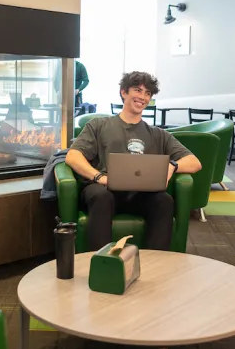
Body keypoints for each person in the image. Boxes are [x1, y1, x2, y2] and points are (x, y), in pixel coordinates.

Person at [65, 71, 202, 251]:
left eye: (147, 93)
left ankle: (156, 264)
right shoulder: (99, 125)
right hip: (103, 190)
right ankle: (103, 264)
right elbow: (73, 156)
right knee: (101, 196)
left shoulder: (158, 134)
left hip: (140, 194)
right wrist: (99, 177)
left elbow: (195, 162)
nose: (142, 97)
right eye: (137, 90)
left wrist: (173, 166)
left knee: (164, 201)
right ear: (123, 92)